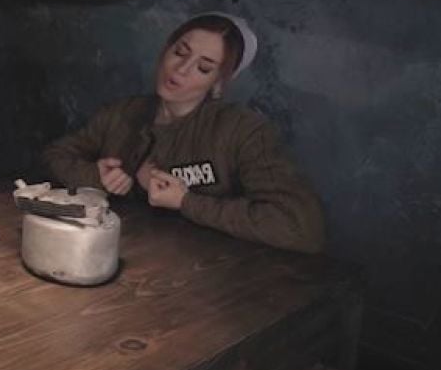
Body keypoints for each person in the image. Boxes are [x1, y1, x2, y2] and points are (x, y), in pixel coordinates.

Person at [40, 13, 325, 253]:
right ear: (165, 50)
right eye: (179, 52)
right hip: (119, 259)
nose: (182, 69)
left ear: (217, 84)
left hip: (214, 282)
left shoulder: (243, 130)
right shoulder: (121, 113)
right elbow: (54, 156)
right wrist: (96, 178)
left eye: (203, 67)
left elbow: (301, 228)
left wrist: (186, 202)